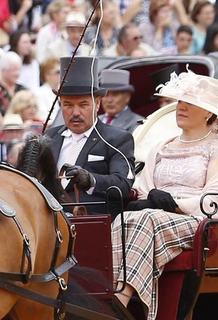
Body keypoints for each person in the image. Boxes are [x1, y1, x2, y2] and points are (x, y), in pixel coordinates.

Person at [112, 72, 218, 320]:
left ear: (208, 113)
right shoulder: (162, 146)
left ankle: (120, 300)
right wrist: (152, 200)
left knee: (146, 219)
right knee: (123, 219)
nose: (181, 107)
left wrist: (174, 205)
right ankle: (108, 291)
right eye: (180, 101)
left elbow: (216, 202)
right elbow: (144, 189)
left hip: (196, 222)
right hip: (155, 216)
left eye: (190, 103)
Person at [23, 56, 135, 215]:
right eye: (68, 105)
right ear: (60, 104)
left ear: (97, 103)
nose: (75, 112)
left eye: (83, 105)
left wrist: (91, 180)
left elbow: (123, 185)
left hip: (92, 223)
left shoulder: (116, 139)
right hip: (49, 223)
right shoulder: (48, 138)